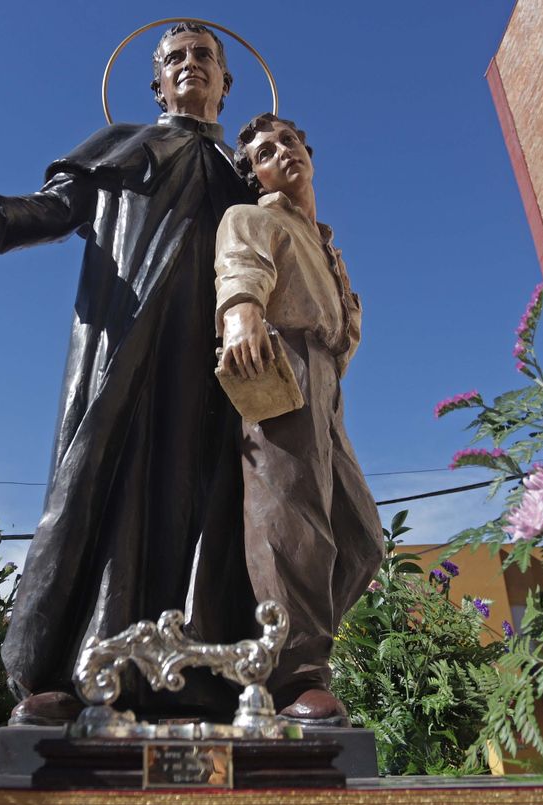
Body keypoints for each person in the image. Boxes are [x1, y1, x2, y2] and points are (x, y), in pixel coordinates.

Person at [0, 23, 258, 725]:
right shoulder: (124, 147)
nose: (190, 65)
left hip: (219, 361)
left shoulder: (245, 174)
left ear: (226, 82)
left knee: (211, 497)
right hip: (129, 335)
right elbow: (59, 206)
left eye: (204, 56)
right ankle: (69, 671)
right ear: (157, 84)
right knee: (106, 484)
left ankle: (202, 680)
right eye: (175, 58)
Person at [214, 113, 385, 726]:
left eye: (288, 141)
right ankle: (296, 673)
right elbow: (240, 266)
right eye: (265, 152)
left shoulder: (325, 245)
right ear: (255, 175)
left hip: (326, 379)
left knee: (362, 541)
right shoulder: (252, 217)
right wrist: (241, 315)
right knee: (288, 515)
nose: (282, 152)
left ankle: (266, 644)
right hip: (278, 358)